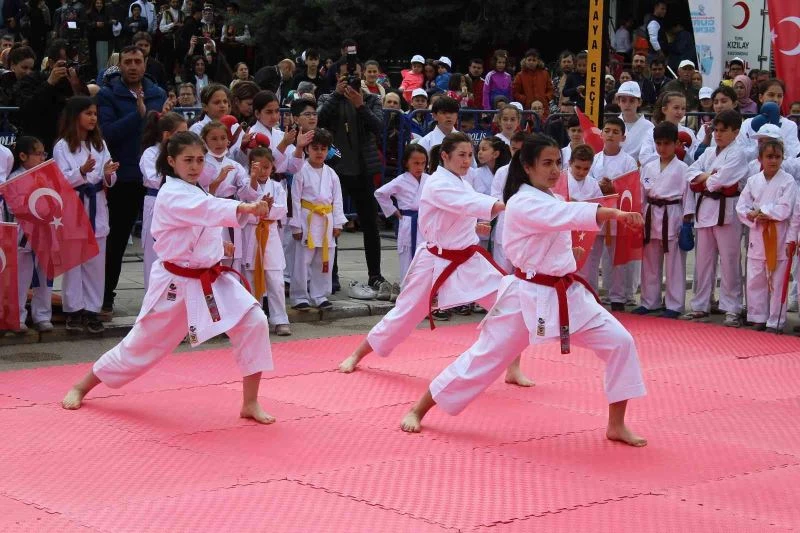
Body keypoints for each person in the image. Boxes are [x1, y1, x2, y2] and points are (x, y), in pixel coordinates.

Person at [398, 134, 647, 446]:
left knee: (620, 342)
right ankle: (418, 409)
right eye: (547, 163)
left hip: (567, 295)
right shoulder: (522, 202)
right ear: (527, 167)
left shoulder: (553, 199)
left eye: (558, 162)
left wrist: (571, 258)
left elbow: (560, 229)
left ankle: (616, 425)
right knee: (482, 359)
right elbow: (565, 217)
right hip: (525, 297)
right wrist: (614, 213)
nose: (556, 170)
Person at [61, 131, 276, 424]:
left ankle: (250, 402)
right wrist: (245, 207)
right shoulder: (172, 192)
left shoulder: (196, 190)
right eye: (188, 160)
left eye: (200, 160)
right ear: (172, 161)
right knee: (140, 346)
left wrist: (217, 246)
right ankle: (81, 386)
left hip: (210, 279)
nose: (195, 166)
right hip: (176, 284)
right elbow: (205, 211)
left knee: (254, 321)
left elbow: (200, 223)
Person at [338, 132, 533, 388]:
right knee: (404, 315)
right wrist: (506, 206)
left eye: (469, 155)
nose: (467, 161)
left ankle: (513, 367)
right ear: (444, 156)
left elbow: (467, 209)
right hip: (435, 262)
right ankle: (356, 354)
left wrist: (482, 222)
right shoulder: (437, 184)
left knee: (511, 304)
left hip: (468, 260)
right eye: (461, 155)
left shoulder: (462, 180)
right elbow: (467, 203)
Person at [99, 45, 167, 315]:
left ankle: (162, 299)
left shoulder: (157, 94)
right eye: (127, 61)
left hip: (157, 179)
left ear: (145, 63)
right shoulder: (108, 95)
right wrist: (137, 115)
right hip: (125, 177)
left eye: (137, 61)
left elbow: (164, 132)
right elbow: (106, 134)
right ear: (120, 64)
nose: (133, 66)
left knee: (161, 242)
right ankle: (106, 298)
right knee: (116, 241)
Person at [53, 96, 120, 334]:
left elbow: (108, 176)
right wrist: (80, 172)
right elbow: (61, 179)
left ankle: (92, 310)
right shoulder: (62, 146)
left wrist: (109, 174)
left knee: (95, 262)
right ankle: (73, 310)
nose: (93, 118)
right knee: (74, 263)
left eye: (95, 114)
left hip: (97, 204)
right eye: (88, 113)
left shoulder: (99, 144)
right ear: (75, 116)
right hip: (73, 206)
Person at [318, 60, 387, 289]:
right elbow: (318, 121)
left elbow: (378, 127)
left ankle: (375, 274)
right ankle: (332, 276)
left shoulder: (371, 100)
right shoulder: (328, 99)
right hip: (336, 162)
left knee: (369, 223)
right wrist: (338, 95)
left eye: (354, 77)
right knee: (333, 224)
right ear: (336, 78)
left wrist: (360, 105)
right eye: (345, 78)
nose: (350, 82)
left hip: (363, 166)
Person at [682, 110, 749, 326]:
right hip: (705, 210)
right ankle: (700, 305)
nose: (718, 135)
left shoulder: (738, 153)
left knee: (729, 261)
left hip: (727, 212)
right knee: (703, 261)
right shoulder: (709, 153)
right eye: (716, 130)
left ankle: (733, 308)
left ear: (736, 132)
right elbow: (690, 174)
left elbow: (722, 181)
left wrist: (706, 179)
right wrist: (710, 177)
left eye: (723, 131)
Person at [634, 122, 693, 318]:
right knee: (650, 260)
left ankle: (674, 305)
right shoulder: (648, 166)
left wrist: (687, 223)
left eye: (666, 143)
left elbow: (687, 197)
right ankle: (649, 301)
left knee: (674, 263)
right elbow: (641, 195)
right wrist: (639, 217)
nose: (662, 148)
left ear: (676, 143)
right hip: (650, 215)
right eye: (658, 143)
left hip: (673, 214)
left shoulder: (683, 168)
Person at [738, 138, 797, 332]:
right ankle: (758, 317)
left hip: (778, 234)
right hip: (757, 233)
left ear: (782, 158)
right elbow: (741, 206)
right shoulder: (753, 180)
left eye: (777, 157)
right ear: (760, 158)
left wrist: (762, 211)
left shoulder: (787, 181)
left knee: (777, 279)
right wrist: (752, 215)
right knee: (756, 278)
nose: (773, 160)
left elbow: (785, 207)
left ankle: (775, 320)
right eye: (769, 156)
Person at [289, 128, 347, 310]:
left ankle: (320, 295)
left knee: (324, 260)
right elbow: (295, 199)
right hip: (307, 218)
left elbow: (337, 199)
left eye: (323, 148)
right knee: (302, 260)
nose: (319, 152)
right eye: (315, 148)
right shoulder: (300, 171)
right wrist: (296, 226)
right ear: (307, 149)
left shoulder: (332, 174)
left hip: (326, 220)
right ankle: (299, 297)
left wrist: (338, 222)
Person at [588, 117, 638, 310]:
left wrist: (613, 187)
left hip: (618, 214)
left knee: (616, 258)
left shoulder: (628, 161)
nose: (610, 135)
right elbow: (587, 183)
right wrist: (598, 186)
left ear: (623, 137)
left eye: (615, 132)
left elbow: (631, 186)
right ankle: (591, 295)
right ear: (601, 134)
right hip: (597, 213)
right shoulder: (594, 160)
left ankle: (617, 297)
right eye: (607, 130)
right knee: (593, 258)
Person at [240, 147, 291, 336]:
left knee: (275, 280)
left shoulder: (277, 187)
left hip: (269, 235)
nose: (262, 171)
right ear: (250, 167)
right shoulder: (245, 183)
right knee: (251, 279)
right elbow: (245, 202)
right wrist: (259, 204)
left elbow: (282, 210)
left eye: (266, 167)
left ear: (273, 167)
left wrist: (267, 209)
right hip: (252, 234)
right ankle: (255, 319)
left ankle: (280, 319)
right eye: (258, 167)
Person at [2, 136, 50, 333]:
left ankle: (42, 315)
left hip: (44, 232)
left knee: (45, 277)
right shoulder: (14, 178)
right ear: (22, 156)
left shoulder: (45, 176)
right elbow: (14, 206)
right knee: (21, 278)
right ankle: (19, 316)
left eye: (43, 154)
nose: (41, 158)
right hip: (24, 234)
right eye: (38, 154)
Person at [139, 111, 188, 290]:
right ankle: (152, 303)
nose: (185, 137)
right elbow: (154, 179)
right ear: (167, 135)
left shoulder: (183, 153)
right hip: (156, 202)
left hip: (178, 205)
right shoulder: (150, 153)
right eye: (181, 133)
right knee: (154, 254)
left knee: (176, 253)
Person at [15, 39, 88, 153]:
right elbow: (27, 109)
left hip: (71, 146)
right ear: (51, 63)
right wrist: (50, 83)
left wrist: (76, 87)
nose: (69, 68)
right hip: (40, 146)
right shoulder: (32, 79)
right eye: (64, 63)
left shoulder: (76, 81)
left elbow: (87, 111)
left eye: (72, 63)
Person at [374, 144, 427, 283]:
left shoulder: (429, 179)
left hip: (426, 223)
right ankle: (406, 294)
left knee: (425, 260)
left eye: (423, 163)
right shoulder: (401, 180)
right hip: (408, 222)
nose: (420, 167)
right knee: (407, 259)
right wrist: (393, 210)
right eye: (416, 163)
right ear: (406, 163)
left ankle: (424, 294)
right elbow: (380, 193)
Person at [490, 131, 527, 273]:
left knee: (523, 274)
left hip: (525, 227)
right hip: (505, 225)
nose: (517, 153)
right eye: (514, 149)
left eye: (521, 150)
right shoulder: (502, 172)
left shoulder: (533, 172)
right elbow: (495, 197)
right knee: (501, 272)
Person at [736, 79, 800, 160]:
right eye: (771, 95)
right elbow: (741, 152)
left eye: (779, 96)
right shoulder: (748, 124)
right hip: (752, 170)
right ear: (760, 97)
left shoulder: (790, 125)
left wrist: (776, 141)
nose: (776, 100)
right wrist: (761, 142)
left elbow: (792, 153)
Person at [639, 92, 698, 166]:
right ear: (664, 110)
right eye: (676, 108)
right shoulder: (651, 132)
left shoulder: (688, 133)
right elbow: (644, 158)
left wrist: (683, 153)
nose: (680, 112)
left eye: (683, 108)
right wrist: (670, 151)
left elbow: (694, 161)